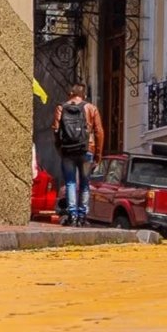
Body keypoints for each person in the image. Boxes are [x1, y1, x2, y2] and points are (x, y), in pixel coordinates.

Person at [53, 84, 104, 226]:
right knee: (85, 183)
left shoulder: (61, 108)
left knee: (70, 182)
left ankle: (72, 214)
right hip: (87, 150)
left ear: (70, 94)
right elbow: (99, 132)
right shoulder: (91, 108)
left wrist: (60, 149)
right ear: (84, 96)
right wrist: (98, 154)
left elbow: (56, 130)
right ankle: (82, 216)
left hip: (68, 152)